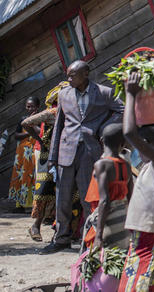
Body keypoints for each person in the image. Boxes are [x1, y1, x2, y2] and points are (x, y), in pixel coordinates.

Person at [43, 60, 124, 254]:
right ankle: (61, 238)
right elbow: (59, 125)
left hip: (90, 151)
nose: (69, 79)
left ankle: (90, 240)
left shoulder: (104, 93)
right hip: (66, 151)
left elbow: (121, 111)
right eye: (68, 75)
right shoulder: (63, 95)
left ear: (86, 73)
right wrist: (52, 157)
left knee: (90, 198)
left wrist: (103, 129)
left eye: (73, 75)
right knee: (62, 197)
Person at [118, 71, 154, 292]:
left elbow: (129, 134)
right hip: (141, 238)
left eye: (141, 144)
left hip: (153, 240)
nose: (136, 148)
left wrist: (130, 94)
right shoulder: (147, 169)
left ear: (149, 144)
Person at [21, 82, 69, 241]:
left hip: (65, 154)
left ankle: (61, 228)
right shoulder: (53, 112)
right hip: (46, 156)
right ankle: (36, 226)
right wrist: (40, 141)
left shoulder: (72, 111)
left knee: (63, 191)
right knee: (44, 191)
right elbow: (26, 123)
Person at [83, 122, 133, 253]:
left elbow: (105, 201)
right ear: (123, 143)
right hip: (122, 218)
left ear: (101, 140)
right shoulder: (126, 166)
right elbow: (131, 197)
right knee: (120, 256)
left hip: (106, 220)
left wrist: (98, 235)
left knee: (102, 259)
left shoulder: (102, 165)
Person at [9, 96, 40, 212]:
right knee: (21, 177)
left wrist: (31, 125)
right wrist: (28, 132)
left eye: (32, 106)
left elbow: (40, 132)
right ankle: (20, 205)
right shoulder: (23, 119)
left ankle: (32, 205)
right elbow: (16, 136)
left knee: (33, 177)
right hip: (22, 153)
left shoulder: (41, 119)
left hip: (34, 152)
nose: (30, 108)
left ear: (37, 107)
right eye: (28, 106)